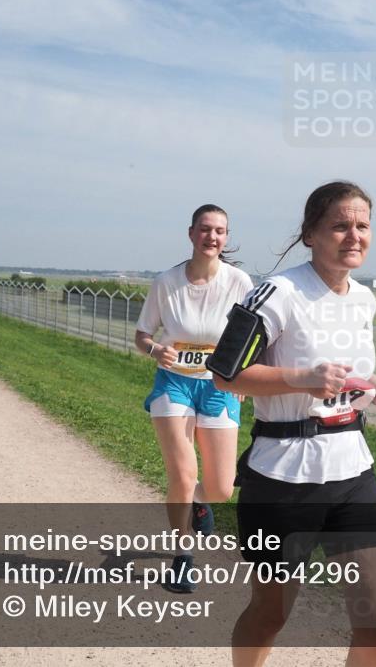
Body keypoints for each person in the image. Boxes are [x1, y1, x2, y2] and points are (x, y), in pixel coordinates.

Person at [210, 181, 376, 667]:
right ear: (310, 235)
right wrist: (303, 379)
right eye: (339, 226)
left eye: (362, 226)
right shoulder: (279, 292)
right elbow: (224, 374)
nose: (353, 236)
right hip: (283, 478)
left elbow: (348, 365)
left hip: (353, 473)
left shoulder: (363, 299)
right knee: (271, 614)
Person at [134, 204, 253, 593]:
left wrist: (247, 378)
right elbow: (143, 336)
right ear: (191, 234)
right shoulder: (166, 282)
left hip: (219, 387)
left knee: (220, 486)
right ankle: (183, 557)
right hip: (174, 384)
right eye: (205, 229)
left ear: (226, 238)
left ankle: (199, 503)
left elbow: (254, 337)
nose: (212, 237)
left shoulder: (239, 283)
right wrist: (155, 351)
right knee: (182, 476)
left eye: (220, 231)